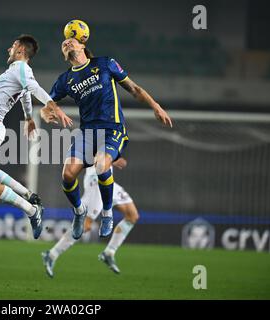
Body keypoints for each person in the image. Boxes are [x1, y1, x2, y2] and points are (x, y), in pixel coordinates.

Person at [41, 37, 172, 240]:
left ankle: (107, 214)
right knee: (67, 175)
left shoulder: (104, 64)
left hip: (112, 129)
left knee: (102, 166)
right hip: (87, 132)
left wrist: (156, 106)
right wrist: (46, 113)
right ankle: (78, 212)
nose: (67, 43)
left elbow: (134, 89)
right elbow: (47, 104)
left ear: (83, 45)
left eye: (71, 41)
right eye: (64, 43)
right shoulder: (65, 80)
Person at [0, 34, 72, 239]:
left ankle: (32, 210)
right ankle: (29, 195)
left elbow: (33, 88)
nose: (9, 49)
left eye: (12, 46)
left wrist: (53, 106)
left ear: (20, 50)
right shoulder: (15, 72)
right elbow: (25, 94)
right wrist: (28, 117)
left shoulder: (22, 69)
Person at [41, 157, 139, 277]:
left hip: (108, 181)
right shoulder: (95, 139)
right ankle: (51, 255)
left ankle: (109, 252)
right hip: (96, 183)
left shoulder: (115, 139)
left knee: (132, 215)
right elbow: (93, 155)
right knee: (85, 225)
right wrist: (113, 161)